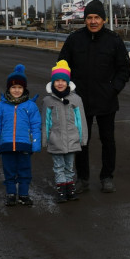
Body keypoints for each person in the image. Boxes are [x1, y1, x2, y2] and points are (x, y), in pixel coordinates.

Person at [58, 0, 130, 194]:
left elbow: (125, 69)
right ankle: (82, 178)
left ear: (104, 20)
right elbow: (62, 67)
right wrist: (68, 90)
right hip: (79, 101)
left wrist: (113, 89)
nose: (93, 21)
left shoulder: (114, 40)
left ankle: (107, 177)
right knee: (82, 141)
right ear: (85, 20)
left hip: (106, 101)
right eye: (89, 17)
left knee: (108, 140)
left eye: (97, 17)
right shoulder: (74, 40)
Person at [0, 64, 41, 206]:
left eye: (19, 87)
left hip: (24, 144)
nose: (16, 90)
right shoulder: (1, 106)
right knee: (9, 171)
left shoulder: (30, 106)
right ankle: (11, 194)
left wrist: (36, 144)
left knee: (24, 171)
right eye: (13, 87)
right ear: (8, 89)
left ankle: (24, 195)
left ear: (24, 89)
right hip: (6, 145)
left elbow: (35, 126)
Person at [42, 59, 86, 203]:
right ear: (52, 82)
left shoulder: (76, 99)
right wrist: (45, 139)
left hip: (72, 140)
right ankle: (62, 191)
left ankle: (70, 189)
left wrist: (82, 138)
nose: (60, 83)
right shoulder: (48, 101)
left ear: (68, 82)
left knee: (69, 166)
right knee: (58, 166)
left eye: (63, 80)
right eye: (57, 80)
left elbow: (81, 121)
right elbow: (46, 122)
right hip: (55, 140)